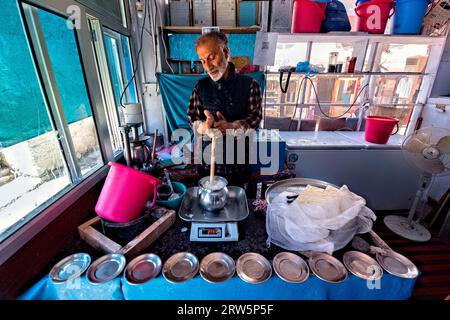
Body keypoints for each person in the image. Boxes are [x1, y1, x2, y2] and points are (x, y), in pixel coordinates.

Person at [187, 31, 262, 188]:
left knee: (237, 205)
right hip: (208, 165)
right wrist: (203, 127)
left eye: (211, 57)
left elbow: (255, 118)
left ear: (226, 52)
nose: (208, 66)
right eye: (202, 61)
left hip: (239, 166)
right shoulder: (200, 87)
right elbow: (192, 118)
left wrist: (233, 126)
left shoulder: (249, 85)